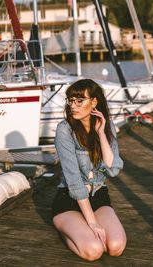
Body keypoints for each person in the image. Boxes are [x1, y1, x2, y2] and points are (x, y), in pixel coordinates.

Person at [52, 79, 127, 261]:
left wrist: (101, 134)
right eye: (71, 100)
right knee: (94, 250)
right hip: (69, 200)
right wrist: (92, 223)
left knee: (115, 247)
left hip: (98, 196)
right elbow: (74, 181)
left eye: (79, 101)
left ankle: (81, 229)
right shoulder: (65, 130)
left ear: (94, 102)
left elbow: (113, 169)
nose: (73, 106)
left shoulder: (106, 126)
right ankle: (67, 230)